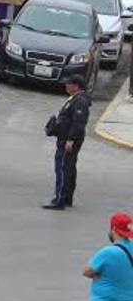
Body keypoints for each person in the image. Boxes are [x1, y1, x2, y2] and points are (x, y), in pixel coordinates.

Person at [44, 74, 90, 210]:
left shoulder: (80, 101)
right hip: (65, 139)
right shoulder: (75, 99)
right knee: (68, 168)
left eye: (68, 83)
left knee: (63, 169)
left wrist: (70, 139)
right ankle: (67, 197)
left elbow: (79, 122)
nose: (66, 86)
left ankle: (60, 200)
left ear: (76, 86)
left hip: (68, 141)